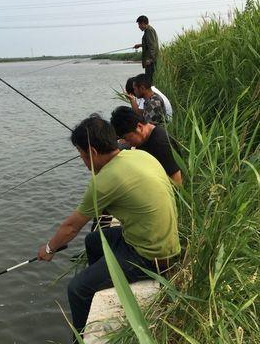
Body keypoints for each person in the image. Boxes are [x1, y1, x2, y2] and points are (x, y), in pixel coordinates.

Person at [37, 115, 181, 337]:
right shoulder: (140, 155)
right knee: (93, 240)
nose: (84, 163)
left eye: (82, 156)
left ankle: (80, 337)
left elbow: (71, 227)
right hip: (162, 239)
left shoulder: (104, 181)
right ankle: (103, 278)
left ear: (93, 153)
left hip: (151, 256)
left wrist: (48, 249)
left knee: (77, 289)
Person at [110, 106, 182, 185]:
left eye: (127, 138)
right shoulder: (147, 133)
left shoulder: (160, 144)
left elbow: (177, 180)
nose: (127, 142)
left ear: (139, 127)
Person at [133, 15, 159, 83]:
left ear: (143, 23)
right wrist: (140, 45)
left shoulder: (149, 31)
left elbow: (152, 46)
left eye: (139, 24)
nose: (139, 27)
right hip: (150, 60)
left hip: (151, 61)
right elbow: (149, 43)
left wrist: (149, 59)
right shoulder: (148, 30)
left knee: (149, 81)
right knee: (149, 80)